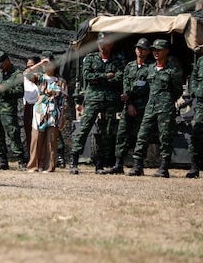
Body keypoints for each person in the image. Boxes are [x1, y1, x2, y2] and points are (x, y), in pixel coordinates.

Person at [69, 31, 123, 174]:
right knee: (84, 128)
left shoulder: (117, 60)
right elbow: (87, 76)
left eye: (105, 44)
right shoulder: (91, 59)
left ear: (111, 44)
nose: (102, 47)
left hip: (110, 100)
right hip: (93, 99)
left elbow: (119, 78)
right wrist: (106, 76)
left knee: (107, 132)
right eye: (100, 44)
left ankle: (100, 163)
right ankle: (74, 161)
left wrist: (98, 79)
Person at [128, 39, 183, 178]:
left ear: (166, 51)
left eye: (159, 50)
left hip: (165, 108)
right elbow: (144, 87)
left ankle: (164, 168)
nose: (156, 53)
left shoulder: (172, 70)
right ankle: (137, 166)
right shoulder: (150, 69)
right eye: (154, 50)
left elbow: (178, 91)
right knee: (142, 135)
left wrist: (167, 100)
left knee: (165, 137)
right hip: (150, 107)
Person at [104, 38, 152, 174]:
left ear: (148, 51)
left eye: (142, 48)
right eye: (137, 48)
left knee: (140, 136)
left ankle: (138, 165)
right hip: (129, 105)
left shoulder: (151, 68)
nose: (139, 50)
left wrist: (130, 96)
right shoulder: (129, 66)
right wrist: (129, 102)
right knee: (122, 134)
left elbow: (147, 88)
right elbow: (125, 85)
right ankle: (118, 164)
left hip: (143, 106)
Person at [25, 51, 68, 172]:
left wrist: (62, 117)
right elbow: (26, 74)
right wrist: (39, 63)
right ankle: (33, 165)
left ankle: (49, 167)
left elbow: (63, 101)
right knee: (36, 140)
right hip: (39, 111)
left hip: (54, 113)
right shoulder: (40, 78)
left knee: (51, 141)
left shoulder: (61, 81)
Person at [0, 51, 27, 171]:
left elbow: (20, 92)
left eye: (1, 64)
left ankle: (21, 161)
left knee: (13, 135)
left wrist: (3, 89)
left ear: (7, 61)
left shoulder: (16, 74)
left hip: (8, 111)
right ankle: (2, 161)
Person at [186, 45, 203, 178]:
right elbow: (194, 78)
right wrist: (194, 91)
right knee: (197, 133)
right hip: (202, 103)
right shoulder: (200, 61)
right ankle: (194, 166)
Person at [23, 56, 41, 155]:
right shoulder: (26, 76)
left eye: (32, 66)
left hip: (39, 106)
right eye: (28, 66)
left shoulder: (41, 76)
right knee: (28, 132)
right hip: (28, 106)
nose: (30, 68)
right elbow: (26, 73)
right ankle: (31, 154)